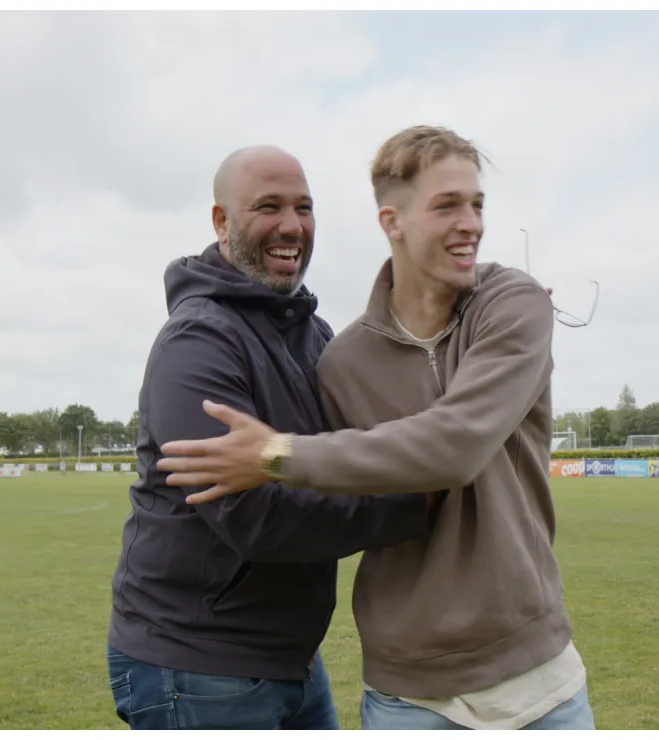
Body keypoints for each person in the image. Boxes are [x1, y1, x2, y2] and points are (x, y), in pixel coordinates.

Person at [157, 125, 596, 731]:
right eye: (447, 206)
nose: (470, 224)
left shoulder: (513, 303)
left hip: (540, 677)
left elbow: (455, 445)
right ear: (392, 222)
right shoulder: (340, 361)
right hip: (406, 693)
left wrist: (276, 454)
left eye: (477, 205)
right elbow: (320, 485)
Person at [107, 144, 432, 731]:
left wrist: (476, 328)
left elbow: (374, 427)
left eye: (304, 207)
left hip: (288, 657)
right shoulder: (198, 342)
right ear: (221, 221)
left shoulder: (311, 333)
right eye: (268, 207)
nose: (292, 226)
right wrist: (416, 505)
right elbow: (253, 515)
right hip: (197, 664)